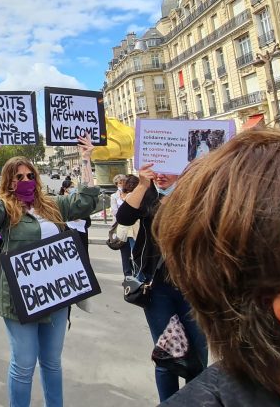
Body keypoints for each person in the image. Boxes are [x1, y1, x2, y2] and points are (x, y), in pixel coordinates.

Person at [154, 124, 280, 407]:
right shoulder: (149, 198)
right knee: (171, 355)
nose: (160, 175)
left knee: (194, 352)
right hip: (163, 287)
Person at [0, 136, 101, 407]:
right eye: (18, 176)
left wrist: (85, 159)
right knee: (23, 364)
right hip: (19, 300)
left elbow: (87, 200)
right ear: (9, 181)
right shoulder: (5, 211)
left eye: (29, 174)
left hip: (56, 295)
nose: (25, 179)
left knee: (52, 362)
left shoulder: (52, 205)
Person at [116, 163, 208, 402]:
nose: (161, 175)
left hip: (194, 287)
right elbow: (123, 217)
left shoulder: (197, 194)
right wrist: (144, 183)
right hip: (157, 289)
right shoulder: (148, 195)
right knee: (166, 356)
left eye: (169, 168)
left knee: (198, 356)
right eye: (159, 169)